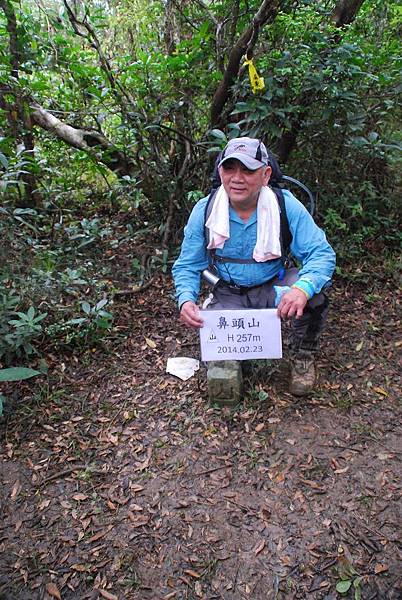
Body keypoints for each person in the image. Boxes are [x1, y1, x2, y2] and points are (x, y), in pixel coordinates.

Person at [172, 137, 336, 396]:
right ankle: (231, 357)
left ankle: (303, 354)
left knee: (314, 297)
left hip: (274, 286)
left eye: (248, 170)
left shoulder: (285, 205)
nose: (237, 178)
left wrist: (302, 289)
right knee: (222, 365)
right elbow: (188, 264)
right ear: (220, 171)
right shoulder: (205, 211)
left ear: (265, 174)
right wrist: (186, 299)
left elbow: (321, 254)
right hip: (228, 292)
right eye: (230, 168)